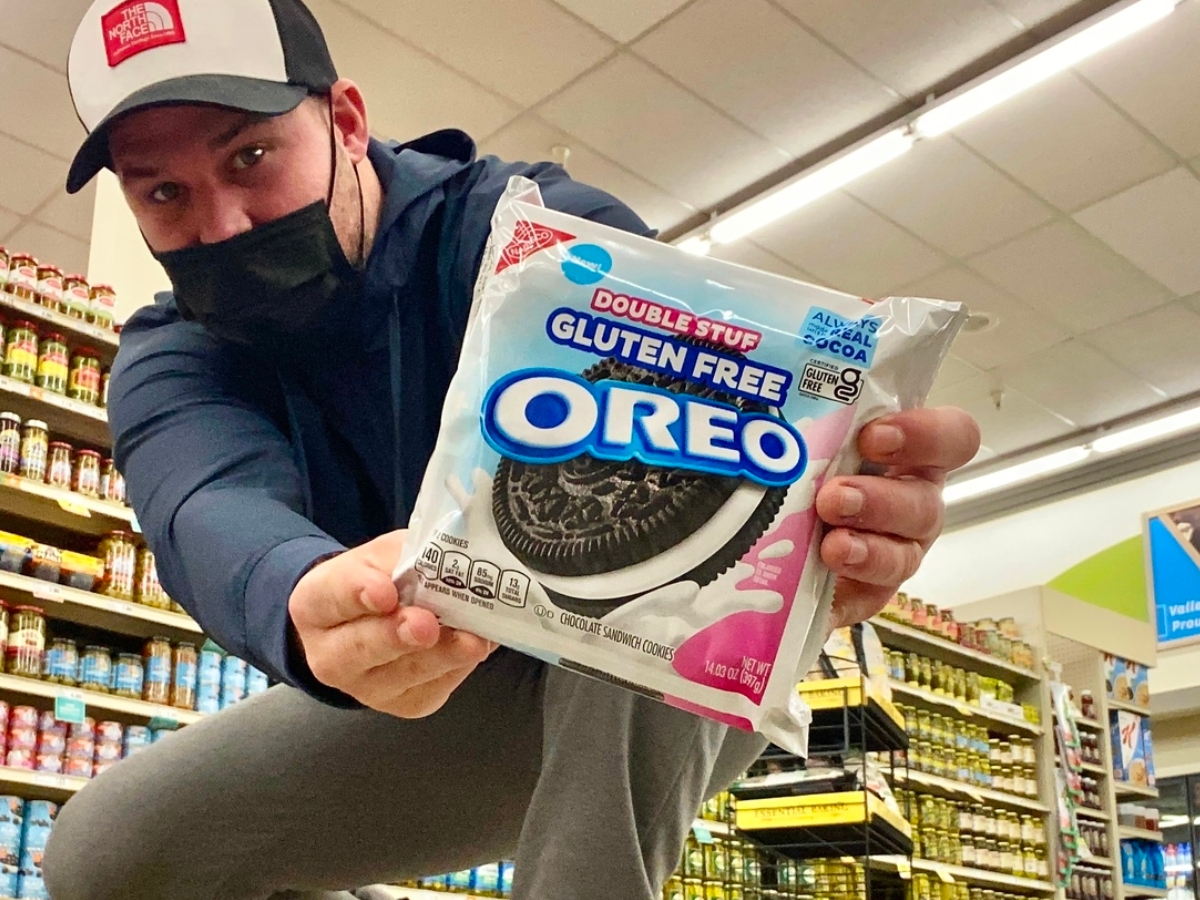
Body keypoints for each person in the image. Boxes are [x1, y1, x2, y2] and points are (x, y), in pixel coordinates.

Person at [44, 1, 981, 898]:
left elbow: (710, 436)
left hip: (669, 664)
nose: (225, 226)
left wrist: (833, 505)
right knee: (109, 856)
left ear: (347, 120)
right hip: (440, 676)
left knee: (650, 526)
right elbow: (203, 503)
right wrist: (297, 592)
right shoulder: (176, 355)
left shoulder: (532, 241)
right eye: (163, 192)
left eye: (250, 155)